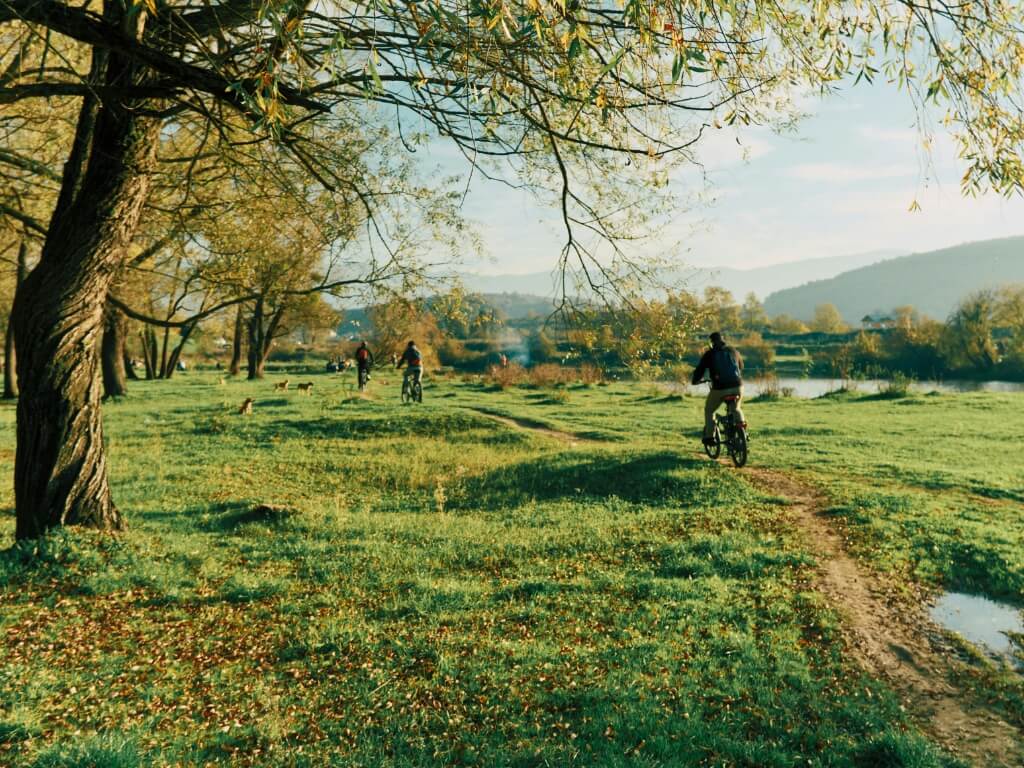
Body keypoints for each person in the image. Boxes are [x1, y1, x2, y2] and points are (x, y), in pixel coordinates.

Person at [691, 331, 745, 445]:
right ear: (723, 340)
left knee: (709, 410)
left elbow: (700, 370)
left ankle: (710, 437)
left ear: (712, 343)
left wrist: (695, 381)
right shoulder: (733, 351)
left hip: (720, 388)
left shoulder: (709, 354)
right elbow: (741, 366)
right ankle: (742, 428)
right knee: (736, 409)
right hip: (737, 386)